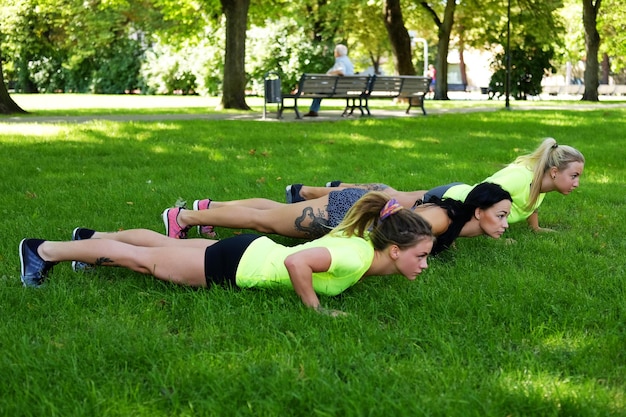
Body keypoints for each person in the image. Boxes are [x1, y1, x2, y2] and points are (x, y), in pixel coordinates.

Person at [19, 193, 434, 315]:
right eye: (422, 255)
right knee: (142, 260)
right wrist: (315, 309)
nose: (426, 263)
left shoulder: (363, 243)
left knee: (163, 246)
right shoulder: (358, 258)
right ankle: (45, 251)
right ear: (394, 251)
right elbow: (297, 262)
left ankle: (89, 239)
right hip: (237, 264)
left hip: (249, 250)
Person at [287, 138, 584, 232]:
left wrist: (534, 227)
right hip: (450, 199)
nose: (577, 183)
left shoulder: (540, 183)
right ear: (555, 172)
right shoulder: (521, 178)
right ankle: (311, 193)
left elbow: (530, 203)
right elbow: (483, 195)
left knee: (392, 194)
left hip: (452, 195)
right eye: (574, 176)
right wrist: (455, 230)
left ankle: (328, 187)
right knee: (387, 200)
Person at [163, 183, 512, 255]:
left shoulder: (464, 223)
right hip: (343, 213)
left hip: (351, 209)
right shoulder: (441, 220)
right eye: (501, 216)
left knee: (269, 211)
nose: (506, 222)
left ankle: (209, 207)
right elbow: (395, 231)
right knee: (265, 222)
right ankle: (184, 217)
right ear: (479, 212)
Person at [304, 44, 354, 117]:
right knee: (320, 90)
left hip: (337, 89)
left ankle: (313, 111)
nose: (334, 53)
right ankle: (313, 111)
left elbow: (341, 72)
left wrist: (331, 73)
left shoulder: (341, 61)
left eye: (335, 51)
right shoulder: (347, 61)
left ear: (337, 53)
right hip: (344, 87)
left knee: (319, 90)